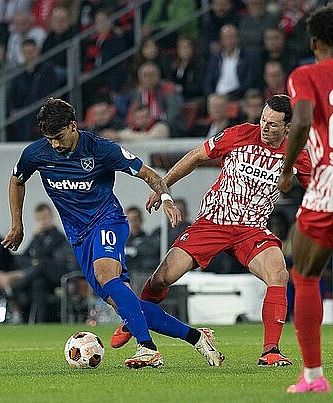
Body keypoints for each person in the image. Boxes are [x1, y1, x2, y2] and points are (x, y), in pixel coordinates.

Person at [2, 97, 224, 369]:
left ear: (73, 126)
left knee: (106, 274)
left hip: (107, 221)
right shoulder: (36, 153)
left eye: (59, 137)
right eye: (49, 139)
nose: (55, 145)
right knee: (127, 306)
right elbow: (17, 180)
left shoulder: (100, 149)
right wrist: (17, 225)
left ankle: (147, 348)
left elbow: (148, 174)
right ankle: (197, 337)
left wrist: (166, 198)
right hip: (79, 237)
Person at [113, 95, 312, 367]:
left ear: (288, 128)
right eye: (263, 120)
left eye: (273, 125)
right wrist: (163, 187)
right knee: (161, 279)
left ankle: (270, 351)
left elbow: (319, 187)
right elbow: (195, 157)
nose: (264, 127)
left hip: (251, 230)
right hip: (213, 223)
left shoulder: (296, 155)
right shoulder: (240, 133)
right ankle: (134, 318)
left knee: (278, 273)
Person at [277, 5, 333, 394]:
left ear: (314, 42)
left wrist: (285, 169)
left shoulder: (306, 74)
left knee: (306, 274)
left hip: (328, 181)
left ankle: (313, 376)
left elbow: (299, 120)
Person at [0, 203, 69, 324]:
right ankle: (38, 322)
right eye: (39, 219)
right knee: (37, 283)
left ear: (52, 217)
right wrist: (33, 259)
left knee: (42, 264)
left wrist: (36, 254)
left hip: (56, 273)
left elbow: (42, 255)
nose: (43, 222)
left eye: (45, 218)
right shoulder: (38, 237)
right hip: (38, 276)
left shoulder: (58, 237)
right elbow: (23, 256)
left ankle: (14, 288)